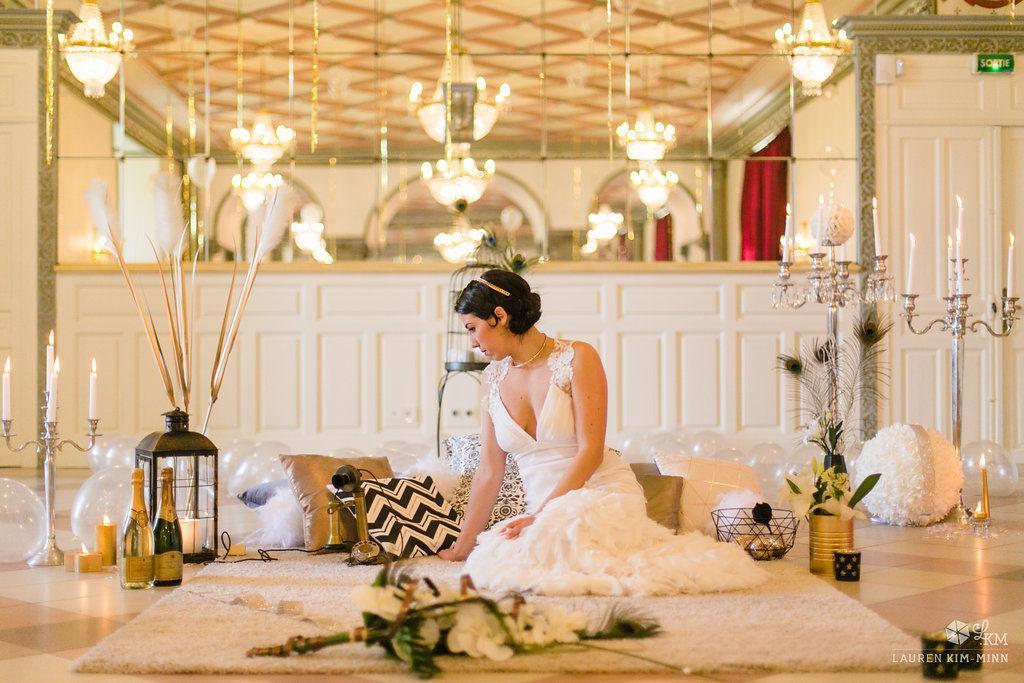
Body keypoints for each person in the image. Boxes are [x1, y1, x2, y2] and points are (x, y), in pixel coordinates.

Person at [437, 269, 767, 596]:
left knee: (564, 548)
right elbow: (489, 471)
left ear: (500, 315)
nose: (473, 343)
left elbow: (590, 452)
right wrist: (463, 546)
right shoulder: (493, 378)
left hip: (600, 492)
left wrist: (540, 516)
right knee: (496, 558)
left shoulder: (577, 357)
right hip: (544, 510)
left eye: (473, 329)